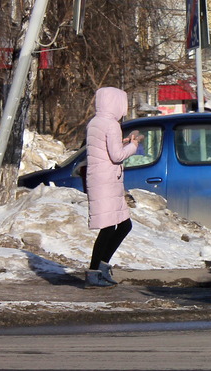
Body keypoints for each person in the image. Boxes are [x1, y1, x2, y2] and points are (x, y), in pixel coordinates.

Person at [85, 87, 142, 288]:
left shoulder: (95, 122)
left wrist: (124, 141)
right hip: (107, 181)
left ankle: (100, 267)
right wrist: (134, 146)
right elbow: (116, 156)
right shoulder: (111, 124)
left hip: (103, 179)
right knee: (110, 227)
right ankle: (94, 272)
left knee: (121, 225)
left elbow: (105, 147)